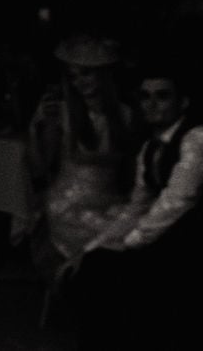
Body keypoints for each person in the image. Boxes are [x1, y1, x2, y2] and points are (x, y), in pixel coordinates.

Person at [61, 61, 203, 349]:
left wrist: (128, 243)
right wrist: (96, 246)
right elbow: (138, 205)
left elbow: (176, 202)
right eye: (145, 96)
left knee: (115, 273)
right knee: (93, 264)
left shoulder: (200, 137)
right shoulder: (151, 147)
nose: (152, 104)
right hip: (169, 238)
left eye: (162, 96)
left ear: (183, 101)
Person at [26, 32, 138, 280]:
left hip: (112, 201)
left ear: (103, 75)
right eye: (73, 76)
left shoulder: (125, 114)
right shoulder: (62, 112)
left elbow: (129, 171)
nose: (79, 83)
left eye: (85, 74)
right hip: (68, 205)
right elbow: (40, 166)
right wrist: (41, 128)